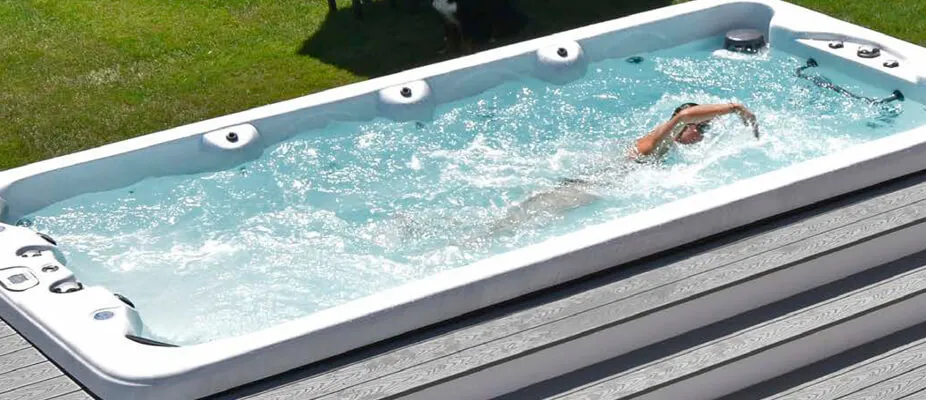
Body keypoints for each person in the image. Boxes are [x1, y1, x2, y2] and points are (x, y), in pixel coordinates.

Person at [489, 102, 760, 234]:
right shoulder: (658, 142)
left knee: (531, 219)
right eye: (701, 129)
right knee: (519, 223)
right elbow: (685, 115)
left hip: (596, 184)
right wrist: (735, 108)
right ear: (685, 127)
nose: (702, 136)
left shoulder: (664, 143)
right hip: (588, 187)